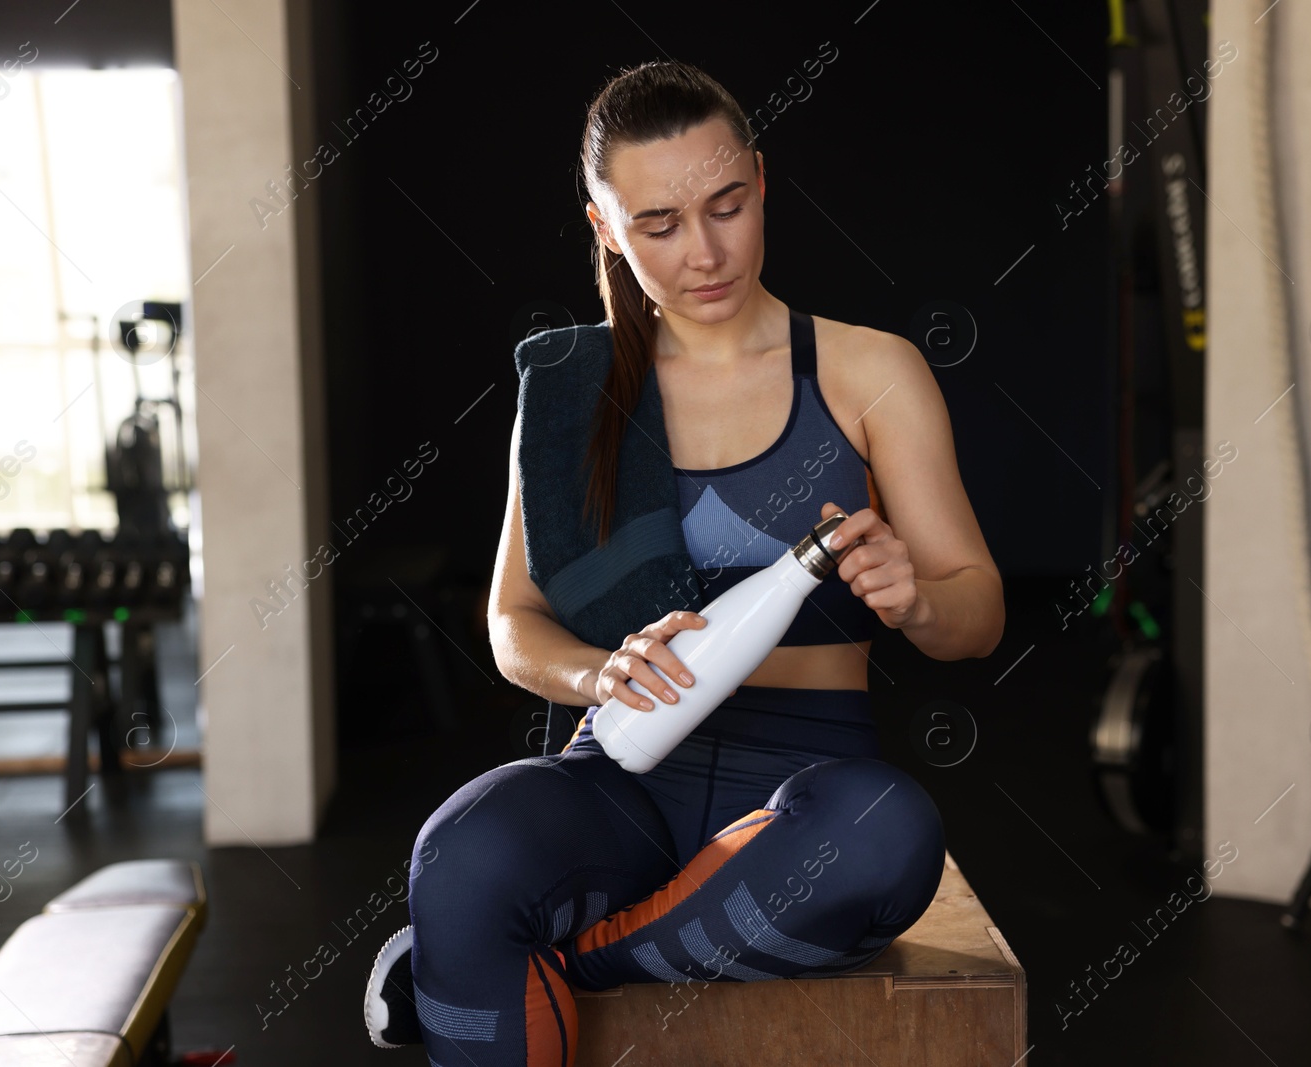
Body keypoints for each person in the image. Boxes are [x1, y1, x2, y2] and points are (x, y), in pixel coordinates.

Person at [363, 58, 1003, 1065]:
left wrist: (917, 600)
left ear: (759, 178)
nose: (703, 252)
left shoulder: (867, 370)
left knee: (885, 832)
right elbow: (511, 621)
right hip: (624, 772)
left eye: (726, 206)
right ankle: (522, 931)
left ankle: (570, 957)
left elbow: (979, 617)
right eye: (657, 224)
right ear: (605, 227)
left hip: (805, 787)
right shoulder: (573, 389)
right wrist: (598, 671)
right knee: (463, 849)